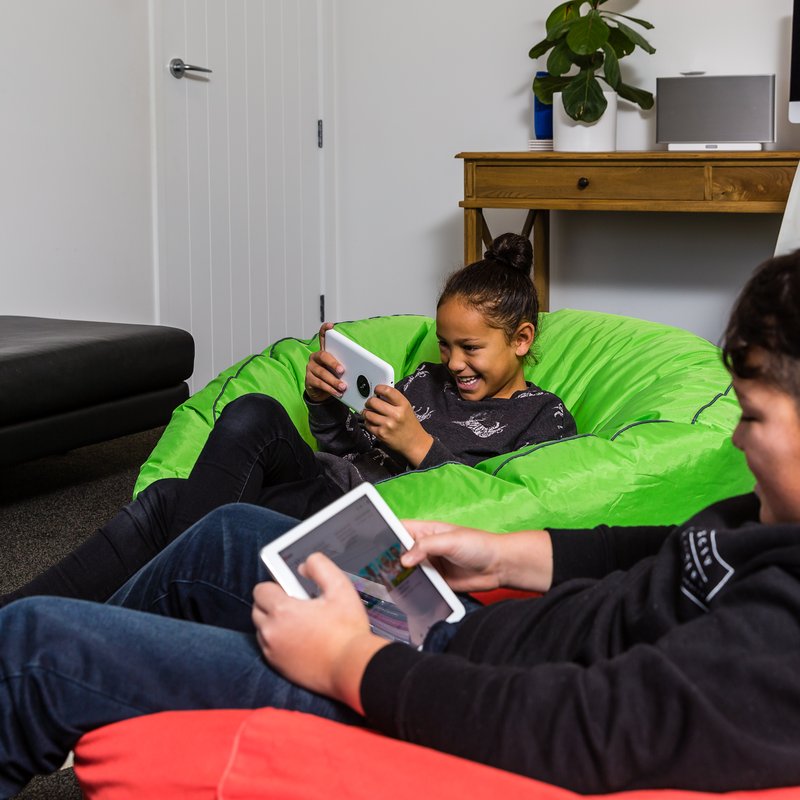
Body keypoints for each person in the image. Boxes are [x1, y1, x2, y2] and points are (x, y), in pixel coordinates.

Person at [3, 252, 799, 798]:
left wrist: (352, 659)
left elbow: (578, 729)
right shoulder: (771, 527)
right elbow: (672, 554)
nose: (733, 437)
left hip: (440, 698)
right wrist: (512, 553)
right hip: (455, 630)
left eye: (755, 417)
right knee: (219, 524)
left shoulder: (780, 642)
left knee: (39, 646)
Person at [0, 233, 575, 608]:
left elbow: (515, 508)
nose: (453, 363)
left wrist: (422, 448)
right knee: (253, 411)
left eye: (470, 348)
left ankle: (129, 619)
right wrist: (326, 402)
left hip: (374, 529)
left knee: (169, 503)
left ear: (521, 339)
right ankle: (26, 622)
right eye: (446, 345)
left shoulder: (541, 417)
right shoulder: (426, 380)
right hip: (326, 486)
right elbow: (348, 446)